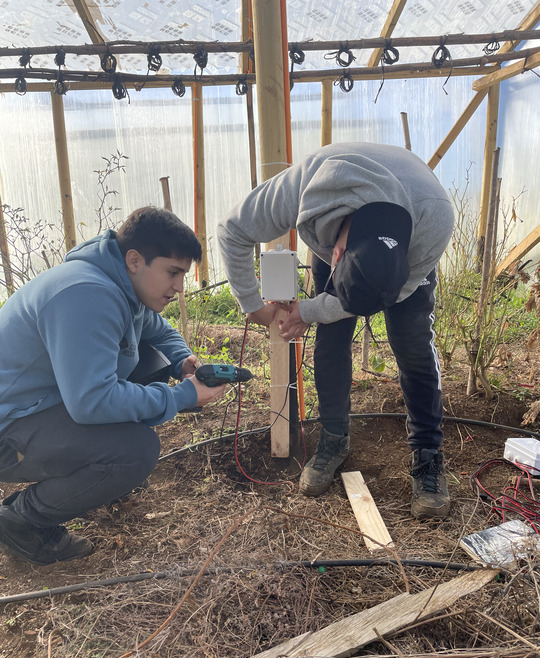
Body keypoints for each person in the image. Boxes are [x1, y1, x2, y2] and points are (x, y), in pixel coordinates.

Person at [217, 142, 454, 519]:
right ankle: (333, 439)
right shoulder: (304, 187)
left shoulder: (435, 220)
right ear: (337, 255)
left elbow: (388, 292)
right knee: (330, 342)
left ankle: (428, 454)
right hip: (337, 223)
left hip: (413, 233)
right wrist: (254, 306)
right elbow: (232, 230)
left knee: (412, 344)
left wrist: (310, 310)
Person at [0, 206, 224, 565]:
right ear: (135, 259)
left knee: (149, 357)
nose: (179, 287)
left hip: (35, 404)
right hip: (8, 428)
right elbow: (92, 401)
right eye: (173, 272)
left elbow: (155, 328)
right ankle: (21, 519)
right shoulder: (87, 295)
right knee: (134, 451)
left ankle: (94, 477)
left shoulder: (117, 280)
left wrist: (183, 360)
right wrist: (183, 395)